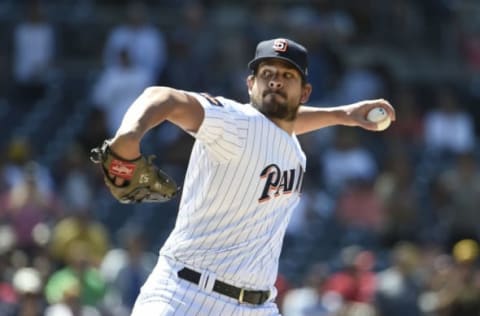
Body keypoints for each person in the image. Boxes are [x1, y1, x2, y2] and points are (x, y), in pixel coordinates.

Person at [103, 38, 395, 315]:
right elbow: (161, 96)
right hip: (186, 295)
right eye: (267, 73)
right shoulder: (235, 122)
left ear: (305, 93)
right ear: (250, 84)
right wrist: (129, 136)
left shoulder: (289, 141)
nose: (276, 81)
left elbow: (284, 124)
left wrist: (343, 114)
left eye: (287, 76)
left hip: (256, 305)